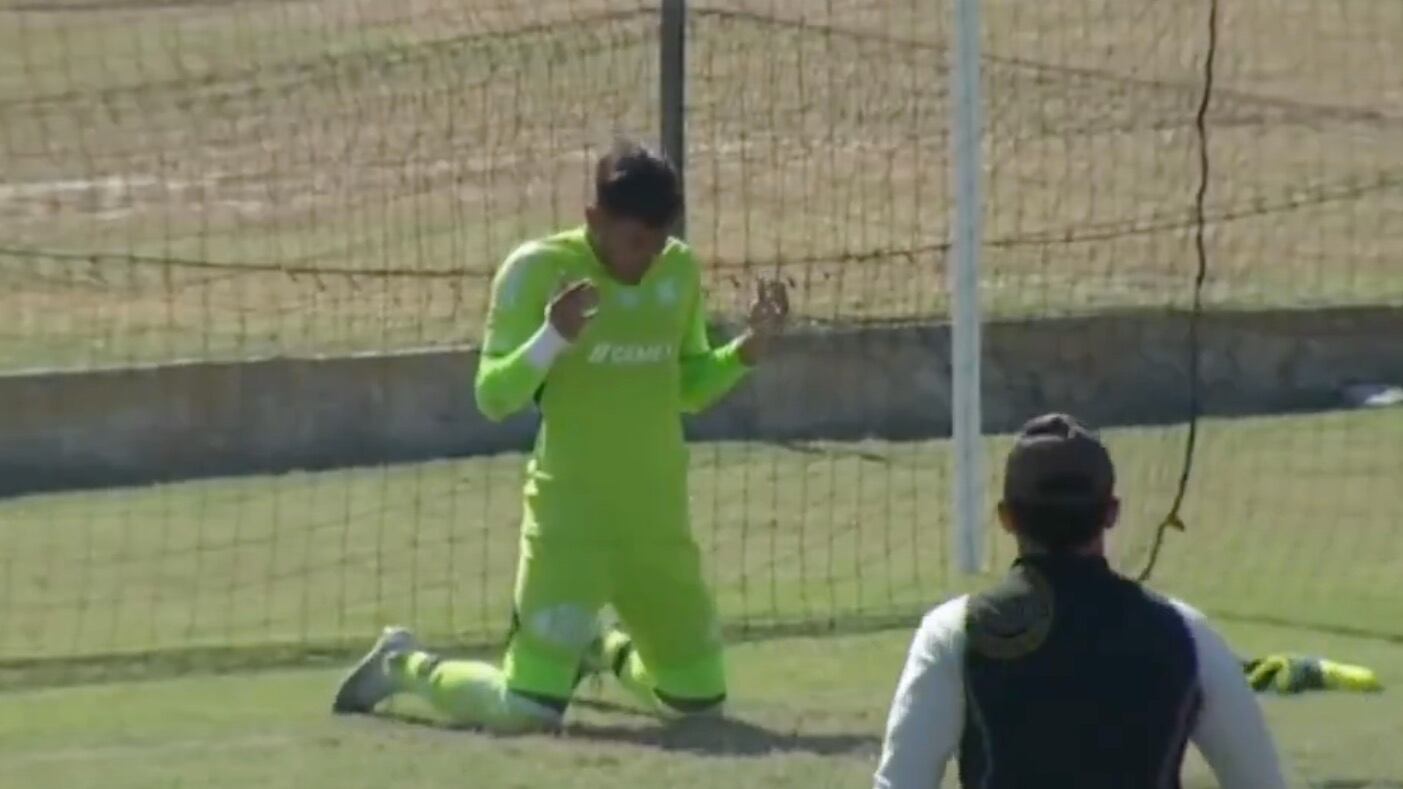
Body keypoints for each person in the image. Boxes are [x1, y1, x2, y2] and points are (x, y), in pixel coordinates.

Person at [330, 139, 788, 732]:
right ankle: (402, 662)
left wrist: (748, 350)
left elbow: (686, 387)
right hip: (569, 529)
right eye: (635, 242)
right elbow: (493, 396)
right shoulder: (537, 271)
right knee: (526, 712)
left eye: (658, 242)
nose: (647, 259)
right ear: (594, 219)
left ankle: (600, 648)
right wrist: (552, 338)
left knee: (698, 707)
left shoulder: (678, 269)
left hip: (658, 528)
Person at [873, 413, 1289, 789]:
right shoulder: (1186, 634)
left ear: (1006, 517)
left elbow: (901, 782)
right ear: (1111, 513)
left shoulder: (954, 634)